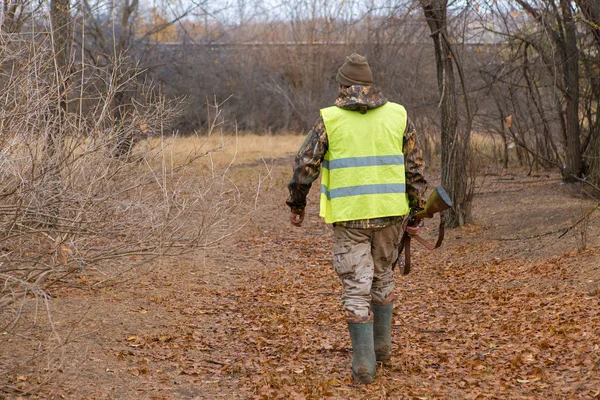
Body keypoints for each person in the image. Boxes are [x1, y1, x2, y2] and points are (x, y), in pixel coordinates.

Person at [286, 53, 428, 384]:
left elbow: (305, 164)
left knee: (356, 285)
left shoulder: (329, 119)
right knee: (382, 277)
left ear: (343, 85)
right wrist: (417, 211)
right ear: (370, 84)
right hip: (390, 215)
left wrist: (297, 204)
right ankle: (381, 348)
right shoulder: (398, 115)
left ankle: (364, 365)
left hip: (349, 219)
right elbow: (415, 169)